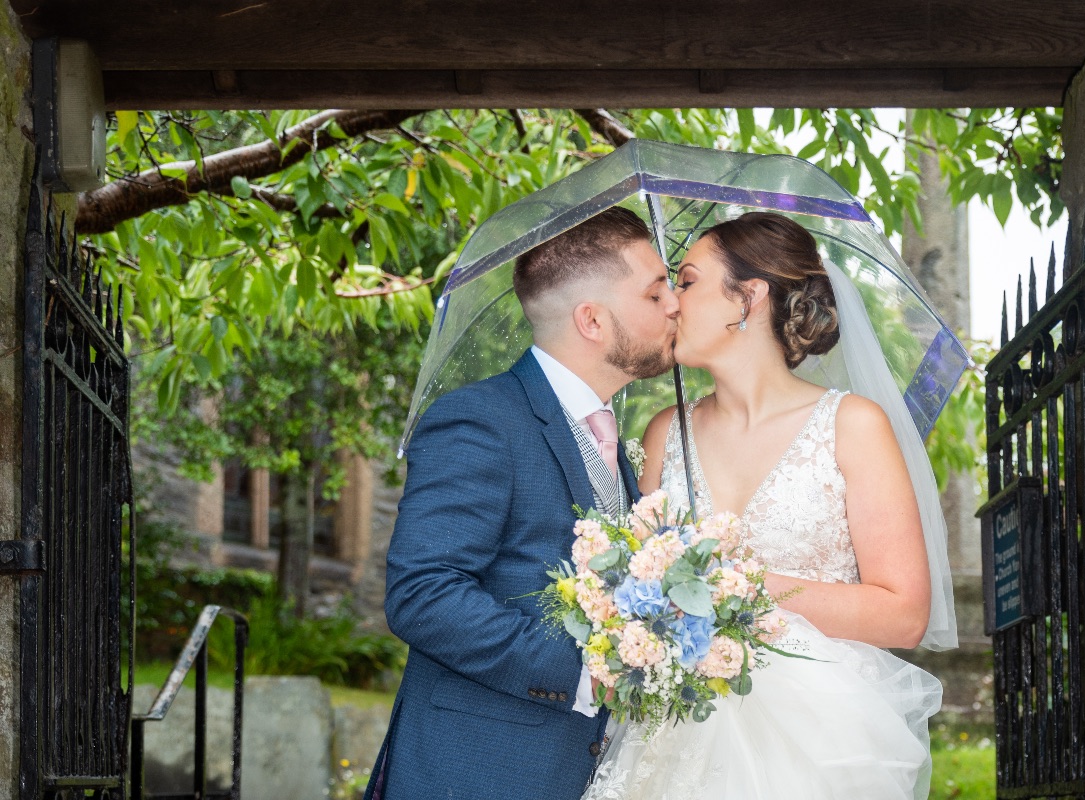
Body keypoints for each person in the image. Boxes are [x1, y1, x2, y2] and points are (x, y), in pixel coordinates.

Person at [583, 212, 951, 799]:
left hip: (817, 741)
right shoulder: (662, 434)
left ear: (748, 299)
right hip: (672, 737)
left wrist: (733, 588)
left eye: (688, 280)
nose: (672, 303)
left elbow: (903, 613)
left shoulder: (852, 426)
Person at [363, 207, 680, 800]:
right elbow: (423, 593)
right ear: (592, 319)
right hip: (481, 773)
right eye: (655, 292)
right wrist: (584, 672)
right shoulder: (480, 420)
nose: (675, 307)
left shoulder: (612, 438)